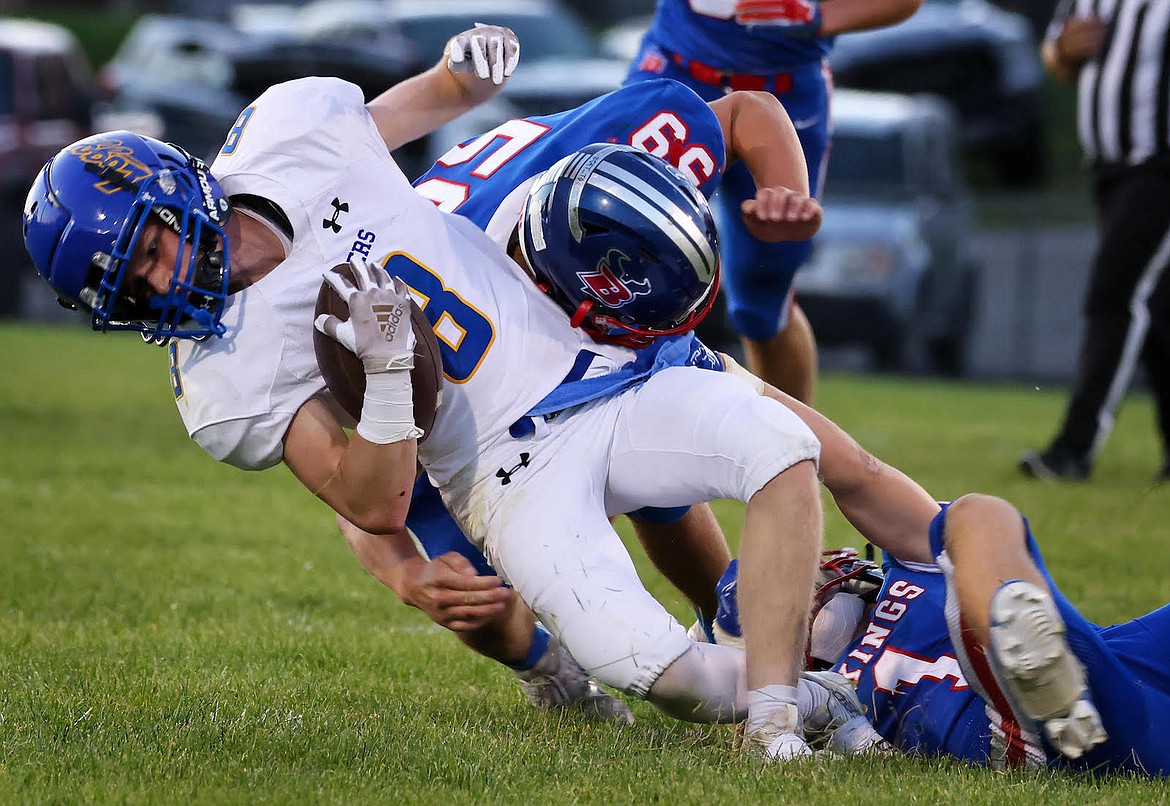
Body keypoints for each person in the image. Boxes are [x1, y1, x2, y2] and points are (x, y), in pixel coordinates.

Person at [22, 34, 839, 761]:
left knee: (772, 458)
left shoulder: (293, 135)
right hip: (461, 458)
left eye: (153, 250)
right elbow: (361, 502)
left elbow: (434, 97)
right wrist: (386, 395)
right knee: (473, 594)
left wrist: (465, 66)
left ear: (177, 187)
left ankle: (784, 674)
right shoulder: (220, 381)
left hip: (557, 354)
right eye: (127, 291)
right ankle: (562, 676)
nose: (161, 286)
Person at [623, 0, 923, 403]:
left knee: (763, 299)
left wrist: (819, 16)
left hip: (787, 93)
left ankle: (789, 449)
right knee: (622, 247)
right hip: (677, 71)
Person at [1020, 0, 1170, 482]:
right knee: (1157, 309)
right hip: (1109, 167)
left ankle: (1072, 450)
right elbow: (1056, 58)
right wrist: (1063, 51)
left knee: (1114, 296)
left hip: (1162, 168)